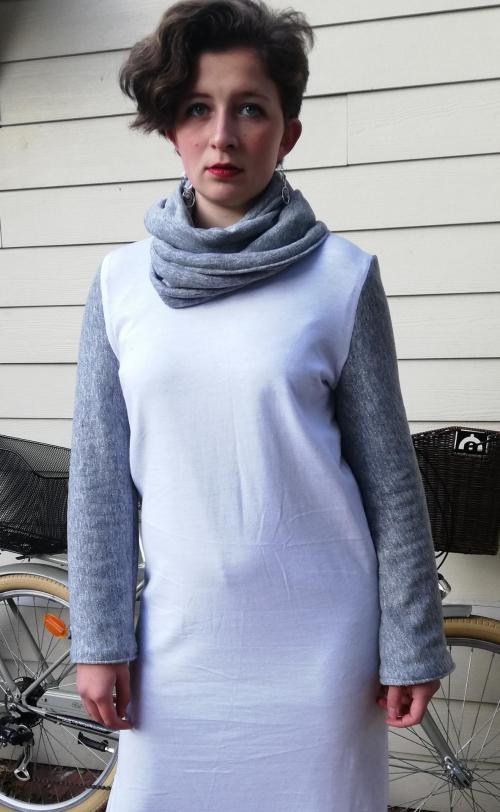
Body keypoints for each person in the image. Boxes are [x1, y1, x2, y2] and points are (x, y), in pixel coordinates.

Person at [66, 1, 455, 810]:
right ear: (169, 130)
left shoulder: (341, 278)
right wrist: (100, 638)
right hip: (178, 648)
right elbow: (101, 482)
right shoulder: (120, 286)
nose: (222, 136)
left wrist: (411, 639)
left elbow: (390, 478)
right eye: (196, 110)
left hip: (323, 654)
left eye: (250, 108)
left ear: (289, 132)